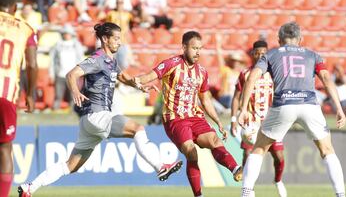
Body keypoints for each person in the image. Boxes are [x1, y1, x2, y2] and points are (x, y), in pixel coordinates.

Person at [18, 22, 182, 196]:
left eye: (120, 38)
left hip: (89, 122)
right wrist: (75, 92)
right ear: (105, 39)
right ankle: (160, 167)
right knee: (138, 128)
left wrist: (139, 86)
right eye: (116, 38)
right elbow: (71, 74)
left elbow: (123, 77)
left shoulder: (111, 60)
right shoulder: (97, 58)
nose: (120, 42)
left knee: (70, 166)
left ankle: (30, 187)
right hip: (97, 115)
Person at [238, 22, 346, 197]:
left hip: (283, 104)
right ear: (300, 39)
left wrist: (243, 109)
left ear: (279, 40)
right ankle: (341, 194)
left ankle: (246, 192)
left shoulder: (271, 54)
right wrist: (339, 108)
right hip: (309, 104)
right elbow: (326, 78)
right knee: (327, 150)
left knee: (259, 148)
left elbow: (252, 78)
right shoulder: (313, 55)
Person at [133, 31, 242, 197]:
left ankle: (235, 168)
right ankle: (198, 195)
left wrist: (218, 122)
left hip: (195, 117)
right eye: (194, 48)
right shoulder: (171, 64)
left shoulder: (202, 72)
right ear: (184, 47)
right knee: (191, 151)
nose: (197, 52)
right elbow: (149, 76)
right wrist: (136, 81)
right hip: (175, 119)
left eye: (200, 48)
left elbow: (205, 100)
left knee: (214, 140)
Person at [230, 40, 287, 197]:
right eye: (258, 53)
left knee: (279, 157)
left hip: (270, 121)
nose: (261, 55)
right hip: (251, 122)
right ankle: (248, 189)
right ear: (253, 54)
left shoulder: (273, 73)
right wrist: (234, 119)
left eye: (264, 53)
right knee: (248, 155)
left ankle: (278, 181)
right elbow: (236, 98)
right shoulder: (245, 74)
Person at [0, 0, 38, 197]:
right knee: (5, 148)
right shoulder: (26, 29)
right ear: (15, 7)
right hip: (6, 95)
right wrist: (30, 94)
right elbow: (31, 64)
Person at [49, 24, 84, 110]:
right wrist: (52, 74)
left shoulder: (76, 45)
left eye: (68, 33)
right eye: (65, 33)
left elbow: (80, 59)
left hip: (73, 75)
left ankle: (74, 113)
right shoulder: (57, 45)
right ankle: (55, 112)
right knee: (58, 95)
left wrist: (80, 73)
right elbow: (52, 60)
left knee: (73, 96)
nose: (66, 35)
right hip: (60, 74)